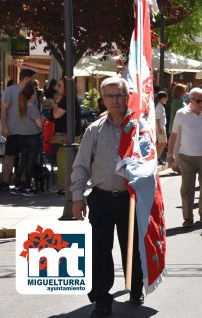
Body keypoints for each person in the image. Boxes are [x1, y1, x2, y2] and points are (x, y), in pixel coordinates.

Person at [71, 77, 144, 316]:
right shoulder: (94, 130)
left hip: (129, 199)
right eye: (110, 96)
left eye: (119, 95)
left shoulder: (137, 128)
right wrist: (77, 196)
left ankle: (135, 287)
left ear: (127, 97)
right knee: (100, 250)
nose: (115, 100)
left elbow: (150, 162)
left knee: (131, 247)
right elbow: (81, 165)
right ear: (103, 99)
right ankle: (101, 297)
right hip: (101, 198)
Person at [167, 88, 202, 226]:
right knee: (187, 188)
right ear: (191, 100)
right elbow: (173, 135)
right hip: (186, 156)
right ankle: (188, 217)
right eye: (198, 101)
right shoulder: (181, 113)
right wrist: (170, 154)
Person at [0, 69, 36, 191]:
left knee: (26, 157)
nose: (33, 81)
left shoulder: (31, 91)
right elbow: (3, 110)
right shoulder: (10, 90)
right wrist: (4, 126)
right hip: (13, 129)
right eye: (32, 78)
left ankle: (22, 182)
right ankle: (5, 182)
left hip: (29, 131)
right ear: (26, 78)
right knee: (9, 155)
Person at [51, 78, 83, 195]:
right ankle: (67, 186)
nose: (57, 88)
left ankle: (67, 187)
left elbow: (56, 114)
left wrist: (55, 102)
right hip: (70, 133)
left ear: (66, 87)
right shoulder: (70, 98)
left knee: (65, 160)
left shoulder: (65, 99)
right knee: (66, 159)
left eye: (59, 85)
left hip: (68, 135)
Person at [11, 84, 43, 195]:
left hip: (22, 137)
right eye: (34, 92)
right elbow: (39, 124)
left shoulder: (20, 106)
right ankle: (27, 187)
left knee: (22, 162)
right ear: (32, 94)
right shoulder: (32, 107)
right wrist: (42, 120)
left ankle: (17, 186)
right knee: (30, 162)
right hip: (33, 137)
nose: (35, 93)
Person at [154, 91, 168, 164]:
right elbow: (157, 118)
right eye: (165, 98)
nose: (166, 99)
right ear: (162, 98)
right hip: (160, 127)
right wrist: (159, 128)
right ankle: (156, 158)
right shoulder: (159, 106)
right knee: (163, 142)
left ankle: (157, 157)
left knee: (162, 143)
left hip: (161, 126)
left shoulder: (160, 106)